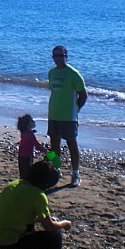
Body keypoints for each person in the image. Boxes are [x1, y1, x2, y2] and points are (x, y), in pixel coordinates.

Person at [0, 160, 71, 249]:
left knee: (29, 226)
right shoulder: (38, 196)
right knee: (54, 237)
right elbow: (49, 227)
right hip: (2, 243)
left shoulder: (15, 184)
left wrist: (44, 219)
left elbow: (18, 212)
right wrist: (64, 223)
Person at [48, 45, 87, 187]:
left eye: (61, 56)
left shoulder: (73, 74)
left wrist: (76, 109)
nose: (58, 59)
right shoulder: (51, 73)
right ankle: (55, 169)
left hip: (68, 117)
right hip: (53, 114)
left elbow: (83, 95)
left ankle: (76, 173)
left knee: (72, 144)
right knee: (54, 145)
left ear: (66, 57)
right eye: (55, 56)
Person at [18, 114, 46, 179]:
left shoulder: (24, 132)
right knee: (27, 173)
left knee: (22, 172)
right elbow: (37, 146)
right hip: (27, 156)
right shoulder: (30, 134)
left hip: (21, 155)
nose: (34, 122)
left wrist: (32, 132)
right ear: (28, 125)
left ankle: (22, 181)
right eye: (32, 121)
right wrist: (45, 151)